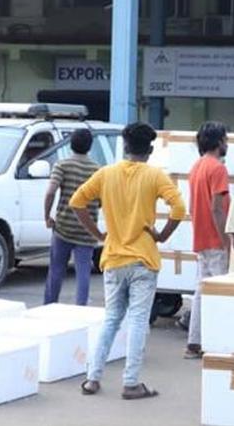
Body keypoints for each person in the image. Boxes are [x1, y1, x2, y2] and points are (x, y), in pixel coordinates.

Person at [70, 122, 185, 400]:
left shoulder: (106, 173)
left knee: (111, 319)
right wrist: (160, 236)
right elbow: (179, 209)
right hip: (143, 259)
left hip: (113, 258)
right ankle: (131, 382)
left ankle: (92, 378)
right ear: (150, 149)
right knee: (136, 320)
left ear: (124, 146)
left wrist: (98, 234)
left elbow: (77, 201)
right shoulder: (155, 176)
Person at [184, 122, 231, 360]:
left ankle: (195, 341)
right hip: (215, 239)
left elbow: (195, 206)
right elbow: (217, 208)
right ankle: (215, 341)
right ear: (218, 142)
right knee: (220, 291)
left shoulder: (196, 167)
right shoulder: (218, 169)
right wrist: (227, 240)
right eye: (225, 139)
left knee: (202, 289)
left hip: (201, 237)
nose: (227, 143)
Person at [43, 128, 101, 306]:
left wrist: (47, 216)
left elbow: (51, 192)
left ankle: (49, 307)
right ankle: (81, 308)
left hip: (63, 228)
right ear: (90, 146)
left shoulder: (62, 165)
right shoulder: (97, 170)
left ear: (71, 144)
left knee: (56, 271)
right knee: (83, 272)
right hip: (87, 230)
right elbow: (101, 200)